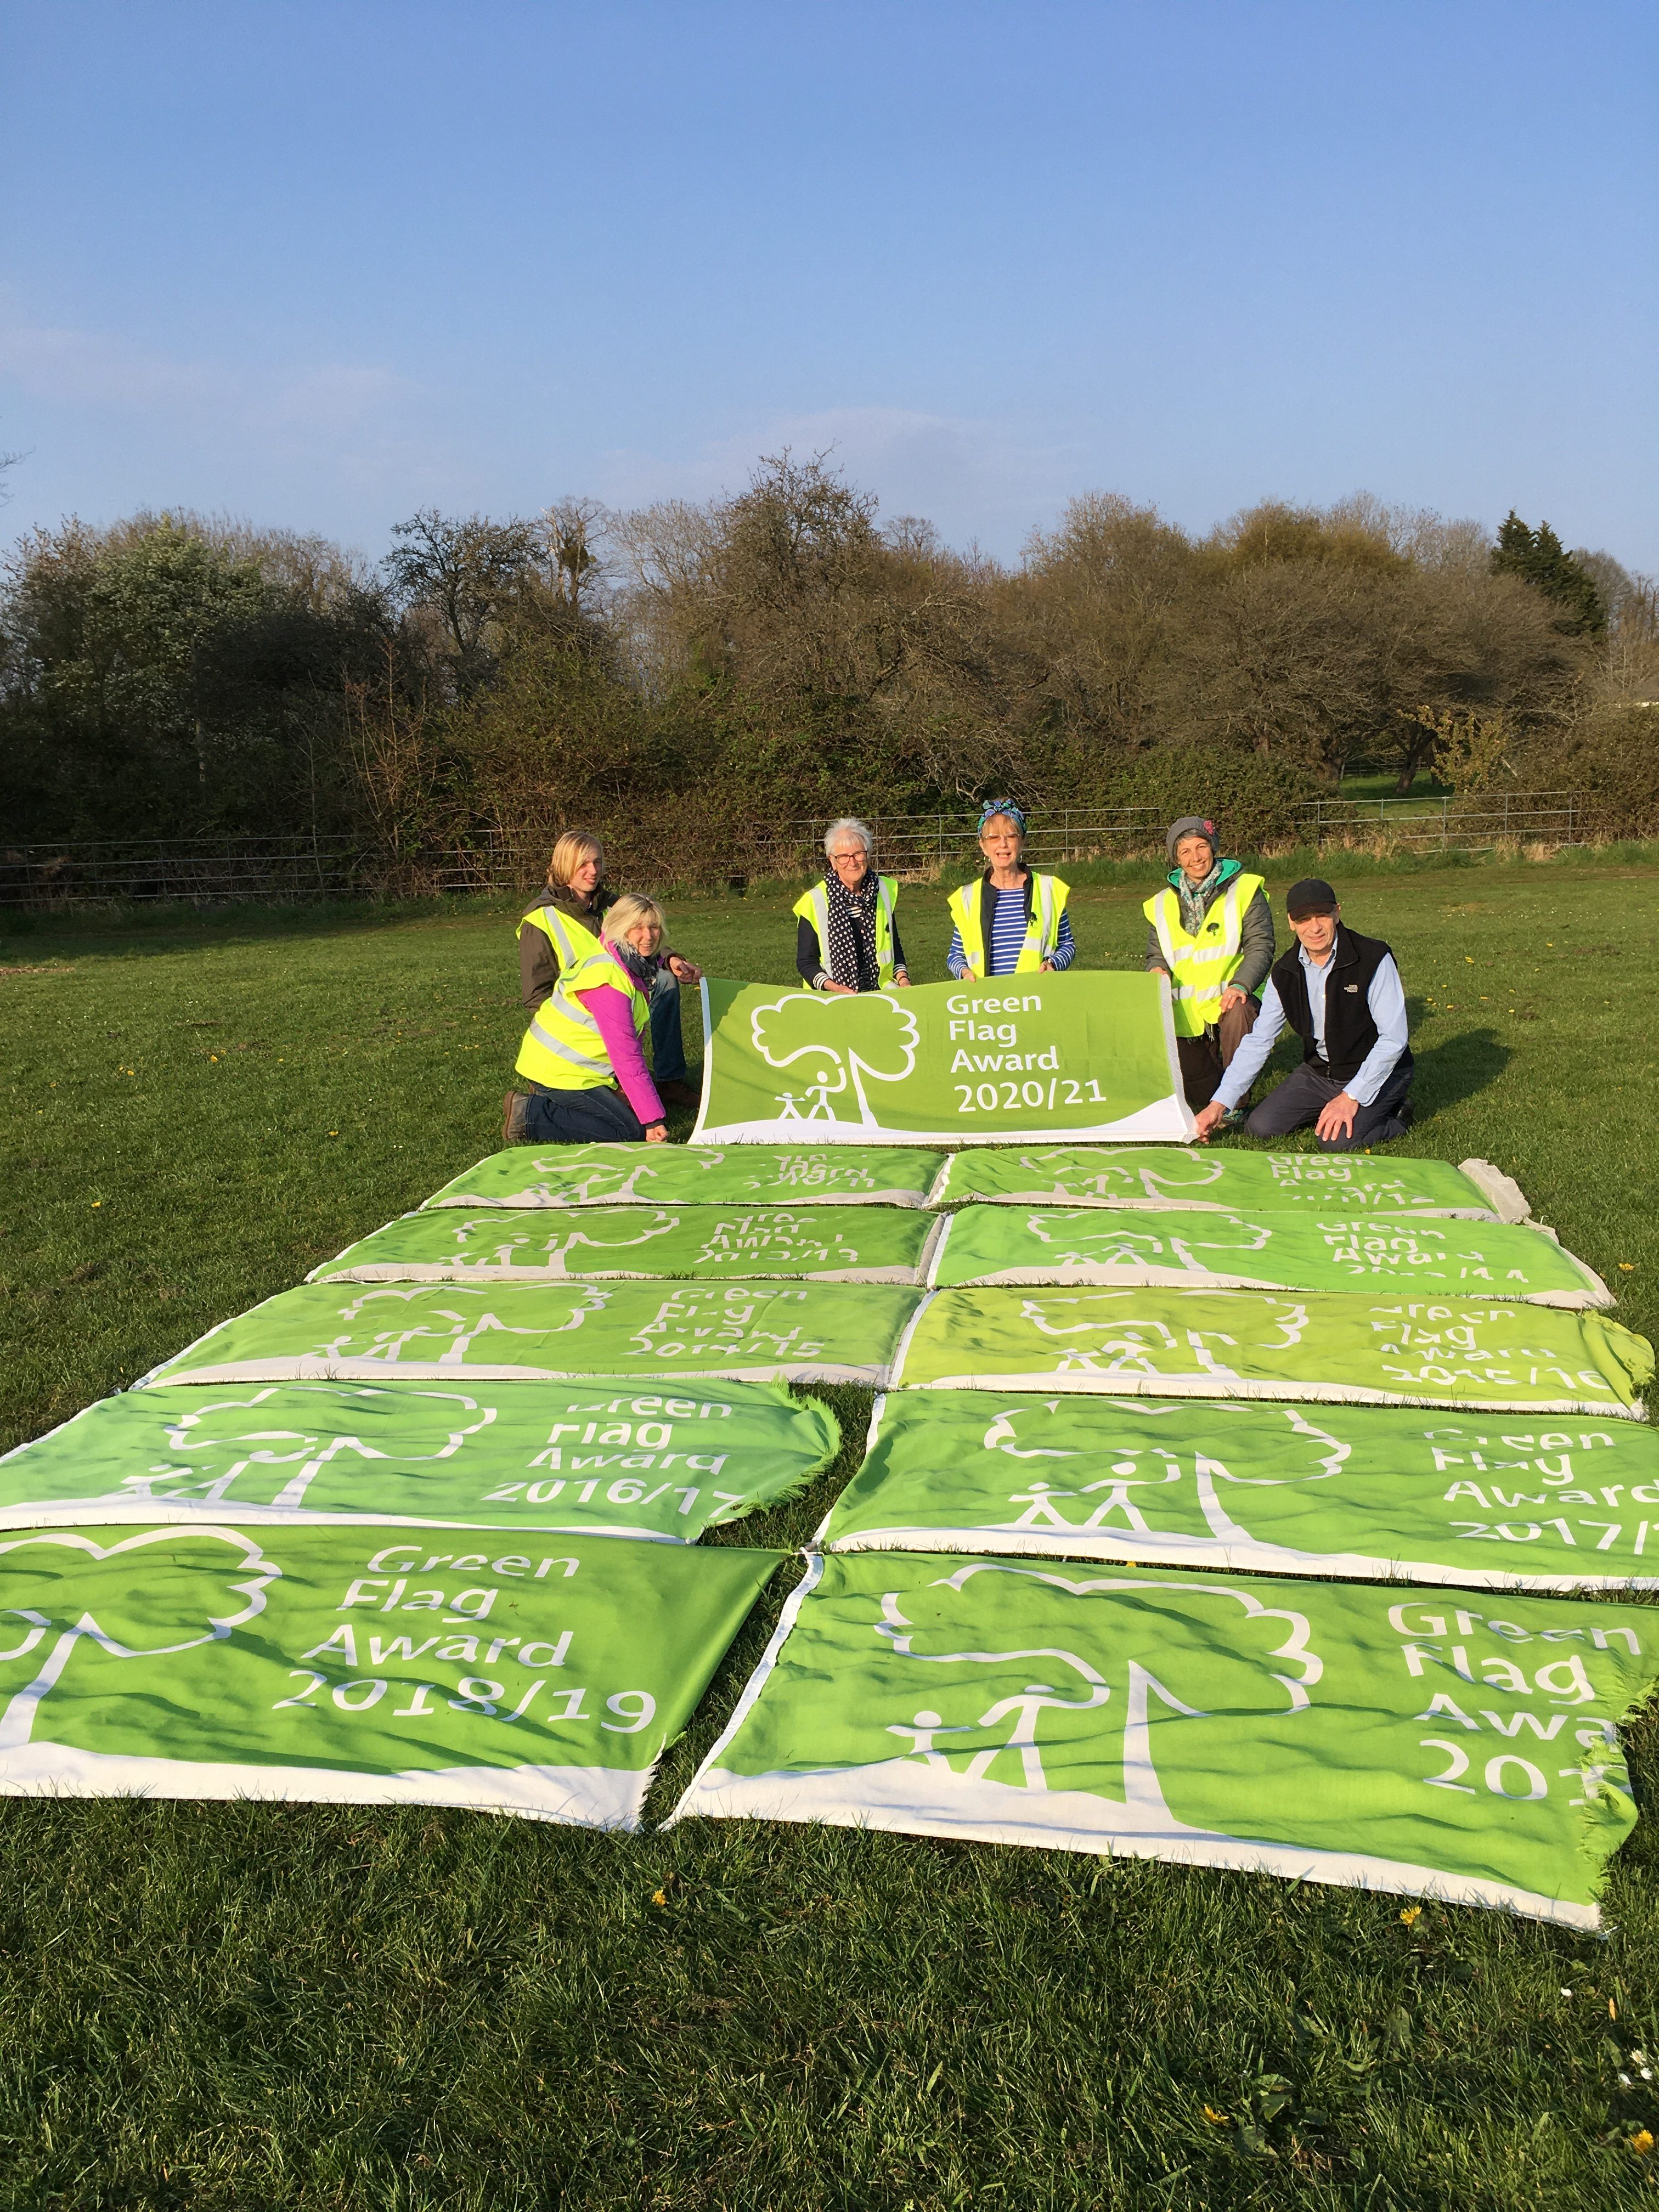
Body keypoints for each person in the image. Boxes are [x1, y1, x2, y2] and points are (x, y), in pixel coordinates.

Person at [1191, 877, 1415, 1150]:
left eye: (1323, 916)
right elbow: (1259, 1041)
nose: (1315, 927)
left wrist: (1351, 1096)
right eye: (1304, 919)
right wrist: (1218, 1105)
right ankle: (1330, 1106)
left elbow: (1394, 1039)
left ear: (1337, 913)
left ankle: (1398, 1116)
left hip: (1382, 1071)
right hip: (1321, 1072)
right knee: (1261, 1127)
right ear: (1291, 922)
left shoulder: (1374, 958)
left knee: (1334, 1142)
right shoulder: (1284, 973)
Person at [518, 831, 702, 1108]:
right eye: (583, 864)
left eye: (597, 862)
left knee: (665, 980)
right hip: (581, 1017)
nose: (593, 871)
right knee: (626, 1121)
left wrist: (670, 959)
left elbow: (643, 941)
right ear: (564, 865)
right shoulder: (540, 918)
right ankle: (562, 1083)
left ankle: (670, 1080)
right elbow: (537, 996)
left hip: (622, 992)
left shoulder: (612, 905)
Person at [503, 894, 674, 1146]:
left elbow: (630, 1042)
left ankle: (553, 1100)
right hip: (559, 1069)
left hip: (581, 1069)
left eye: (654, 927)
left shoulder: (630, 964)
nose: (648, 936)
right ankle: (529, 1113)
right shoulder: (608, 979)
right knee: (630, 1132)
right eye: (638, 927)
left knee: (635, 1111)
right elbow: (626, 1055)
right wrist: (653, 1120)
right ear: (620, 928)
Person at [1143, 815, 1274, 1110]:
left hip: (1233, 997)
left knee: (1239, 1013)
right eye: (1185, 851)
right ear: (1176, 858)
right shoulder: (1160, 903)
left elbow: (1261, 945)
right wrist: (1156, 969)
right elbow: (1156, 954)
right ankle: (1213, 1089)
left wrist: (1242, 985)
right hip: (1186, 1009)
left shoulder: (1245, 889)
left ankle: (1237, 1104)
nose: (1195, 857)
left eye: (1201, 847)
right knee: (1199, 1097)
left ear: (1213, 847)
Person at [945, 800, 1076, 979]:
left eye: (1011, 836)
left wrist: (1053, 963)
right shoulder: (967, 897)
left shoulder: (1049, 889)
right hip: (987, 995)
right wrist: (964, 971)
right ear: (983, 845)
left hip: (1036, 993)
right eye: (994, 837)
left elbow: (1067, 945)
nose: (1003, 844)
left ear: (1022, 842)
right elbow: (955, 955)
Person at [794, 818, 912, 992]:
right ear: (832, 861)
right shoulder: (814, 900)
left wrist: (903, 980)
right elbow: (806, 962)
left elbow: (894, 949)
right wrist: (835, 988)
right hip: (833, 997)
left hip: (881, 993)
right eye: (843, 857)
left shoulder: (883, 891)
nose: (853, 862)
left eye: (858, 854)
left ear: (868, 856)